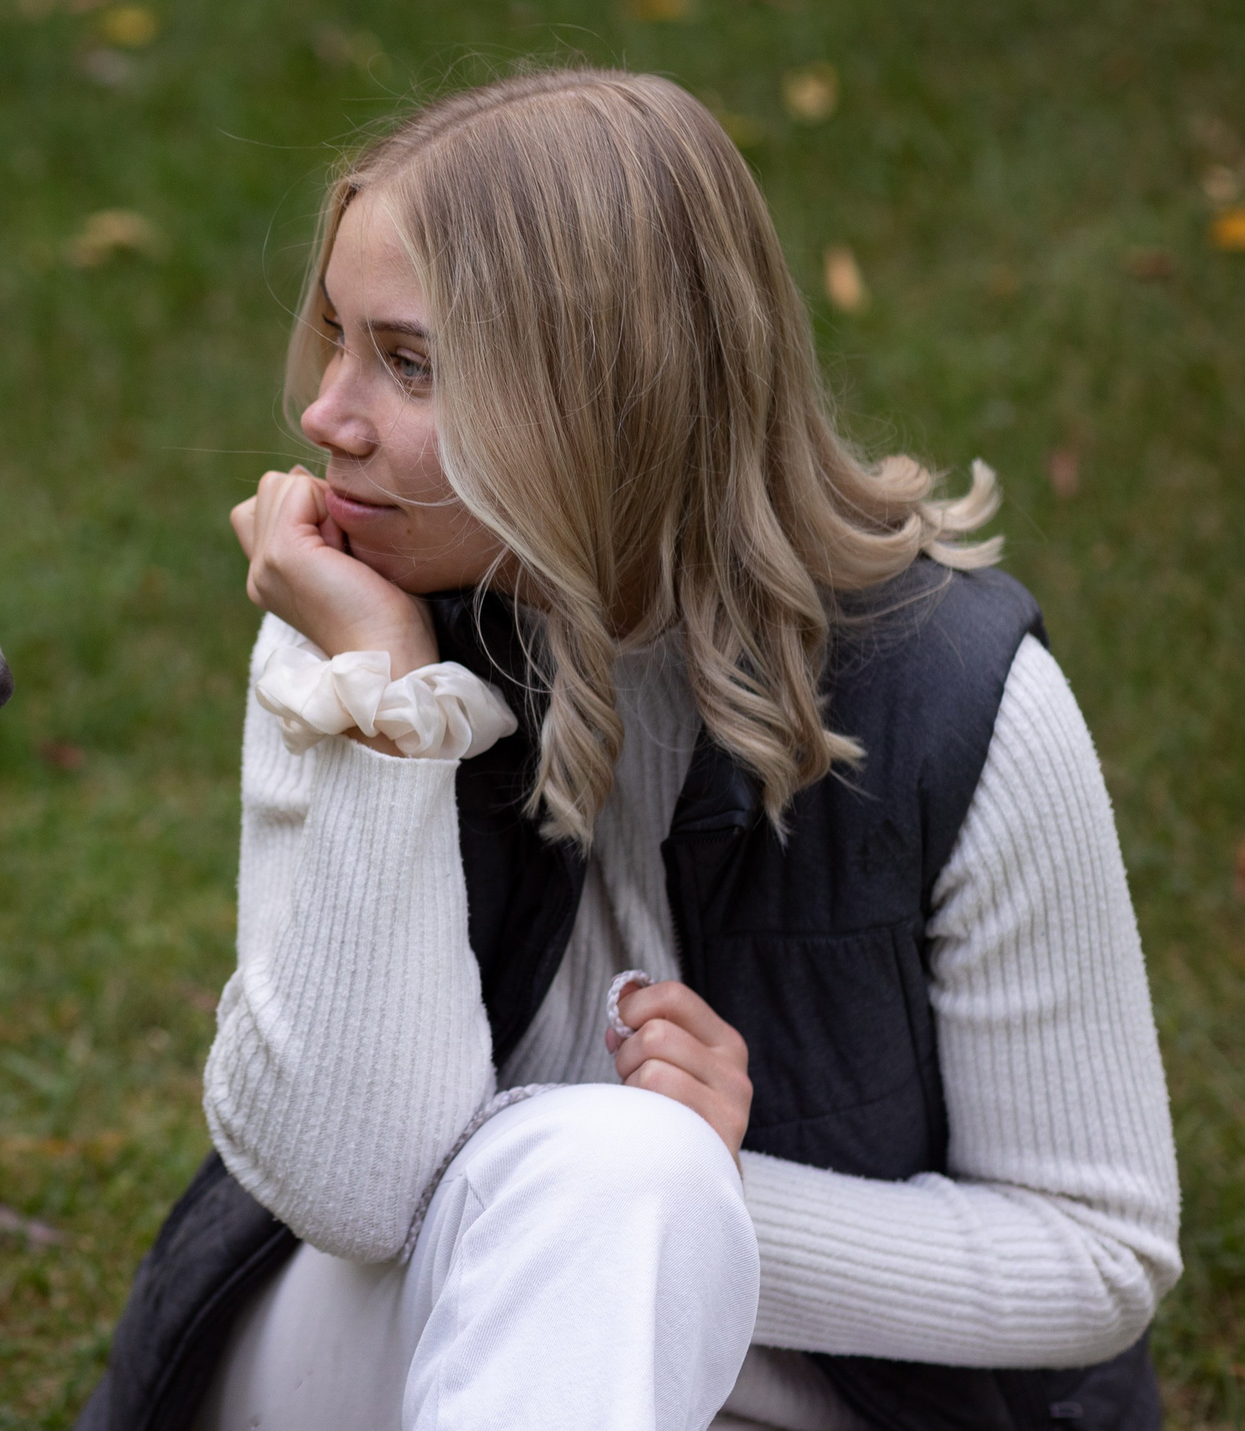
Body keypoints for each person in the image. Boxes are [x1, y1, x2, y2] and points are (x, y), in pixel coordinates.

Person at [76, 69, 1180, 1431]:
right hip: (364, 1346)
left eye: (407, 362)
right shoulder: (352, 622)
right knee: (614, 1170)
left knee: (624, 1177)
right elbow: (350, 1188)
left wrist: (701, 1198)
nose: (328, 417)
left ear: (609, 392)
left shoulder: (951, 698)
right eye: (337, 339)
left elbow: (1094, 1256)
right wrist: (386, 701)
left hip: (803, 1394)